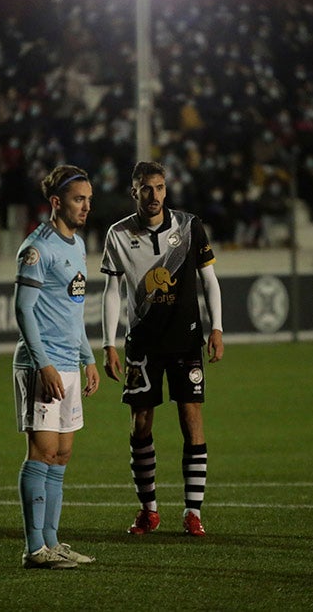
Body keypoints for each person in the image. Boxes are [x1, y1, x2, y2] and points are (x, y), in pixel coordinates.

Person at [100, 160, 224, 537]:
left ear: (166, 189)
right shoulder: (118, 234)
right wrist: (108, 343)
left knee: (192, 422)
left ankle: (193, 512)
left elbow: (209, 280)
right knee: (140, 425)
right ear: (133, 191)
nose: (153, 195)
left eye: (159, 187)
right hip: (142, 343)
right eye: (145, 188)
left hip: (186, 340)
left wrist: (216, 327)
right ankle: (148, 510)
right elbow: (111, 291)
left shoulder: (189, 226)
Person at [12, 164, 100, 569]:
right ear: (56, 202)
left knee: (62, 454)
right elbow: (23, 309)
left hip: (68, 362)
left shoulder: (78, 246)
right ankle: (34, 549)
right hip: (40, 365)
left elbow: (74, 310)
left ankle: (52, 543)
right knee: (42, 451)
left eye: (88, 199)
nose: (85, 206)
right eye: (79, 199)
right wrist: (44, 363)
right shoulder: (38, 247)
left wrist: (87, 358)